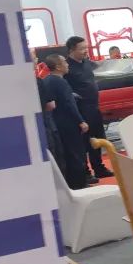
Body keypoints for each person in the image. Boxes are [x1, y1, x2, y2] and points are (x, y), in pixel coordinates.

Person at [63, 36, 113, 182]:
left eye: (86, 47)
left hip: (94, 107)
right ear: (72, 50)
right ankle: (85, 171)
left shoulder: (87, 63)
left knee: (97, 139)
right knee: (82, 142)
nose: (86, 51)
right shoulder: (67, 67)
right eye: (82, 49)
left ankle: (99, 168)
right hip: (80, 110)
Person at [43, 54, 90, 189]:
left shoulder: (47, 80)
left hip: (56, 123)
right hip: (68, 123)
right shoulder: (60, 82)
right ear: (58, 66)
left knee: (66, 154)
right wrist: (80, 121)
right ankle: (80, 184)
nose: (67, 64)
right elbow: (69, 104)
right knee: (76, 154)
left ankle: (71, 184)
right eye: (64, 62)